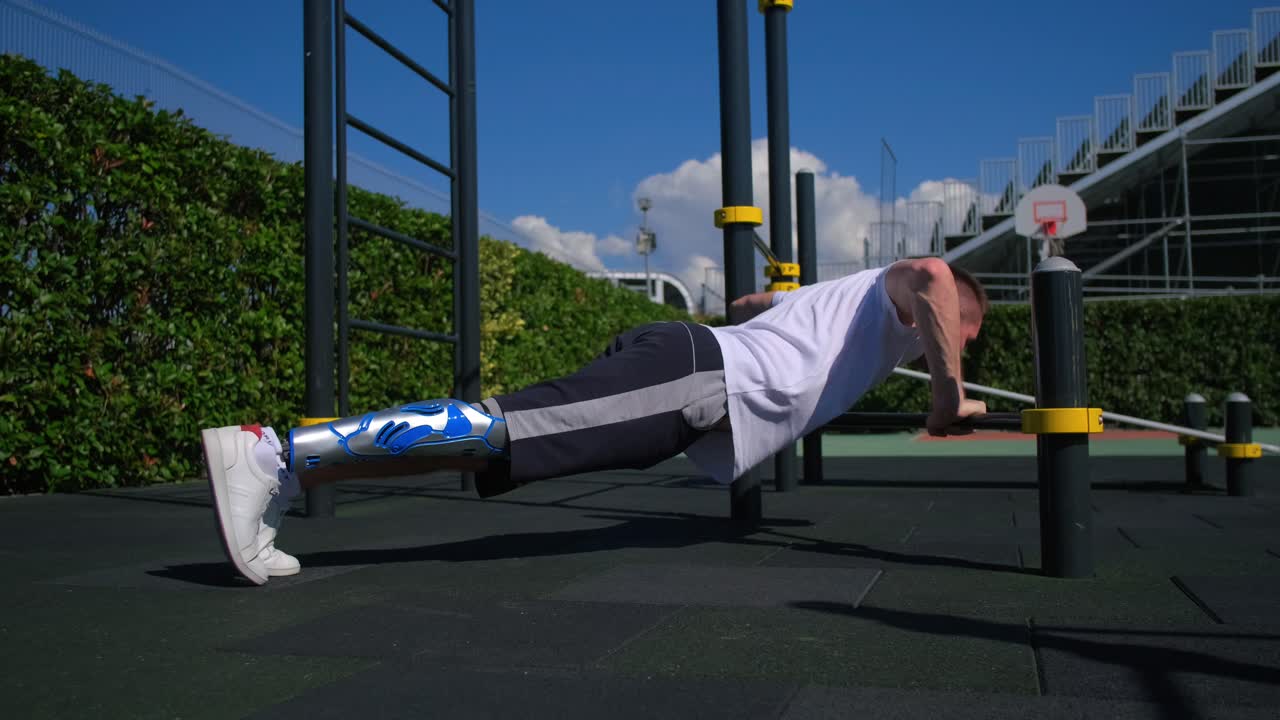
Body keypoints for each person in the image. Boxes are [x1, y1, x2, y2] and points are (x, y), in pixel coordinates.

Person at [201, 257, 989, 585]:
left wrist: (760, 309)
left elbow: (762, 306)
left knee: (497, 450)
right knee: (503, 429)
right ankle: (273, 455)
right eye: (962, 330)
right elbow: (930, 274)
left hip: (692, 384)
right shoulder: (916, 285)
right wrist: (946, 395)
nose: (954, 343)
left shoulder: (855, 306)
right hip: (694, 377)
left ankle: (288, 468)